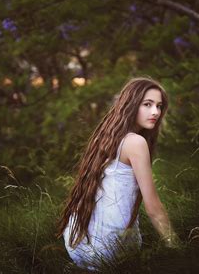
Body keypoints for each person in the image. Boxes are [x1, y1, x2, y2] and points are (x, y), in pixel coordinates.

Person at [56, 77, 179, 270]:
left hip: (76, 244)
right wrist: (176, 247)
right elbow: (153, 207)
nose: (155, 111)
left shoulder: (105, 136)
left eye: (159, 105)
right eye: (147, 104)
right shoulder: (136, 143)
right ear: (131, 105)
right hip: (110, 251)